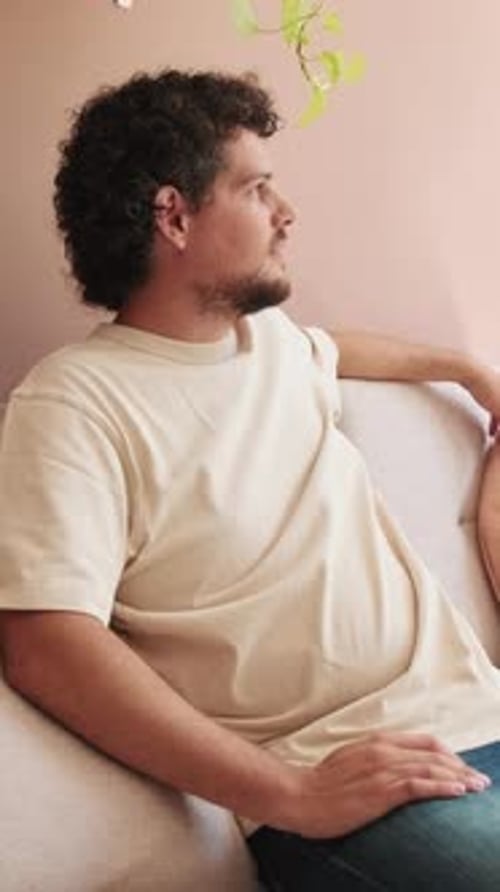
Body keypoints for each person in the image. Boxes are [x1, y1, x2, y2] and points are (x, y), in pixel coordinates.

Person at [1, 69, 500, 891]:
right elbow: (47, 645)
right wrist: (294, 796)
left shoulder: (269, 345)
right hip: (348, 786)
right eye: (258, 188)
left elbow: (340, 348)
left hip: (474, 715)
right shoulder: (74, 401)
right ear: (175, 215)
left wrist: (470, 372)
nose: (286, 213)